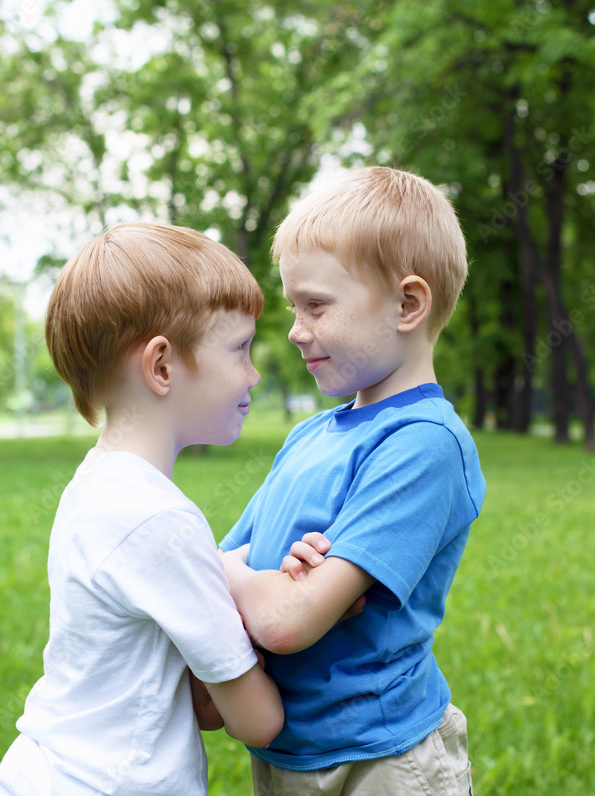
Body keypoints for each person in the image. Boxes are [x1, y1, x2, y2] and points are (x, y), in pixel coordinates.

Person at [0, 222, 290, 796]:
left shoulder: (95, 487)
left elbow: (200, 701)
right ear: (162, 367)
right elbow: (257, 720)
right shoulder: (162, 521)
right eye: (240, 348)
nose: (252, 374)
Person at [219, 166, 487, 795]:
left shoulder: (425, 444)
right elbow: (218, 565)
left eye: (316, 305)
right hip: (288, 754)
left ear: (407, 304)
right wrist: (262, 580)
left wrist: (252, 584)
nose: (294, 330)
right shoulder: (309, 436)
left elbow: (286, 622)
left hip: (384, 761)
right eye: (293, 307)